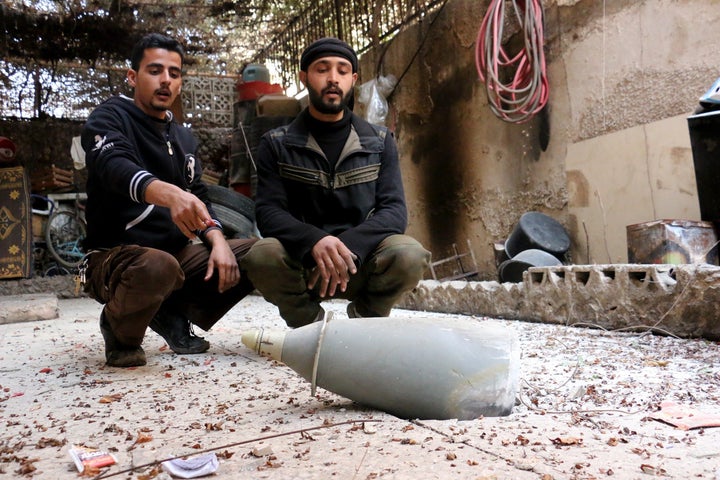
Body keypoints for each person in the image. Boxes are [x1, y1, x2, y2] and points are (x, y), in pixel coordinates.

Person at [80, 33, 256, 367]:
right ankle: (120, 330)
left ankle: (171, 311)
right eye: (155, 70)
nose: (166, 80)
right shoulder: (109, 118)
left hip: (176, 255)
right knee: (157, 266)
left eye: (174, 74)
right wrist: (171, 194)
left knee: (263, 253)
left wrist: (218, 239)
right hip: (114, 258)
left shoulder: (183, 136)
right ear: (132, 76)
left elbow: (199, 195)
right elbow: (114, 166)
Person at [241, 37, 430, 328]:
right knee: (261, 255)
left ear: (353, 79)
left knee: (410, 255)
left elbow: (393, 211)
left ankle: (365, 321)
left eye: (342, 70)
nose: (333, 78)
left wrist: (346, 246)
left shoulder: (379, 143)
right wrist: (314, 241)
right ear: (303, 77)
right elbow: (269, 213)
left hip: (360, 263)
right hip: (305, 266)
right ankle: (309, 325)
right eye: (322, 69)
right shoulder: (276, 144)